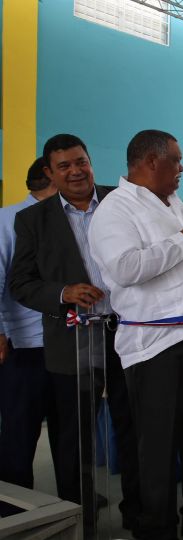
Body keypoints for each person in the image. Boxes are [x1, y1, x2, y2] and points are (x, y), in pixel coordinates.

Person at [87, 130, 183, 540]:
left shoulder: (179, 205)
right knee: (159, 448)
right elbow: (125, 270)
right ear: (151, 161)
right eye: (177, 160)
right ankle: (157, 528)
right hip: (155, 348)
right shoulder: (115, 209)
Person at [9, 134, 142, 536]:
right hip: (73, 343)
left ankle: (141, 517)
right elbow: (22, 283)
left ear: (90, 161)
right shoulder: (32, 220)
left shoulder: (121, 201)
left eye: (80, 162)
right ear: (50, 173)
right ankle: (78, 518)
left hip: (130, 336)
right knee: (74, 439)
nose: (75, 171)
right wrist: (64, 293)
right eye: (63, 166)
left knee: (133, 428)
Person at [0, 157, 58, 489]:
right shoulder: (8, 220)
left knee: (69, 433)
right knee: (19, 433)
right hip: (23, 347)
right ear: (50, 179)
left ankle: (73, 498)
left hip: (64, 343)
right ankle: (15, 507)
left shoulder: (62, 220)